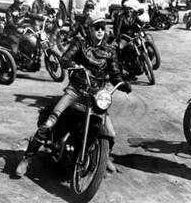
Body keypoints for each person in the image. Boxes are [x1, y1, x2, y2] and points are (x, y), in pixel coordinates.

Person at [15, 10, 131, 177]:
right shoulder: (80, 43)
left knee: (111, 134)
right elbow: (65, 59)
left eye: (102, 28)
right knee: (49, 122)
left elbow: (114, 73)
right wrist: (73, 64)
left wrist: (122, 83)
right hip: (76, 90)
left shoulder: (110, 50)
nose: (100, 31)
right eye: (96, 27)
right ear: (90, 29)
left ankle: (101, 157)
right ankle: (27, 158)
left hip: (96, 94)